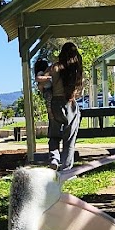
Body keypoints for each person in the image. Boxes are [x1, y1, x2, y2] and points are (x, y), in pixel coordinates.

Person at [38, 42, 84, 173]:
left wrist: (45, 78)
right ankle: (66, 169)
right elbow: (80, 92)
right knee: (69, 139)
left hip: (55, 104)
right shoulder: (77, 69)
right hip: (71, 104)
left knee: (54, 134)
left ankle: (54, 159)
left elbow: (41, 81)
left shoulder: (55, 67)